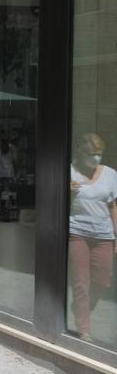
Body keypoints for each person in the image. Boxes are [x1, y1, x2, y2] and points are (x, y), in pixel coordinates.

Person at [69, 133, 117, 342]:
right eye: (91, 154)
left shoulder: (110, 174)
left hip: (104, 234)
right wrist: (66, 191)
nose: (96, 158)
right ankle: (84, 328)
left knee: (102, 280)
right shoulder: (69, 172)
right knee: (81, 282)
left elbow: (113, 206)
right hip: (77, 232)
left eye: (99, 154)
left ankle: (79, 308)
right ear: (81, 152)